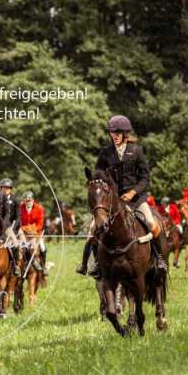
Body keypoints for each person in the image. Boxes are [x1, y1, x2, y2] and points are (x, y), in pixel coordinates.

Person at [77, 115, 167, 276]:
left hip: (135, 199)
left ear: (125, 133)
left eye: (118, 132)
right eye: (112, 132)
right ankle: (89, 264)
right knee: (92, 229)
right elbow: (98, 174)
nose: (115, 135)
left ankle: (159, 258)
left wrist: (133, 192)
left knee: (152, 223)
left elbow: (145, 178)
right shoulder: (106, 152)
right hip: (112, 201)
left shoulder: (136, 151)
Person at [19, 191, 48, 275]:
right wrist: (24, 229)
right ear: (24, 201)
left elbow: (40, 224)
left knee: (43, 248)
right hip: (23, 233)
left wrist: (32, 230)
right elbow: (19, 221)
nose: (28, 202)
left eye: (29, 200)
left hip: (35, 232)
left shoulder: (39, 208)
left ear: (33, 200)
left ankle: (43, 266)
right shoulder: (20, 207)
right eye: (26, 201)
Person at [0, 178, 22, 276]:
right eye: (3, 188)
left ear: (10, 189)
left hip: (11, 226)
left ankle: (16, 265)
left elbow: (18, 217)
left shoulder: (15, 200)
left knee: (15, 244)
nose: (5, 190)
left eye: (7, 188)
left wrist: (13, 228)